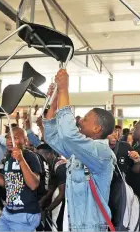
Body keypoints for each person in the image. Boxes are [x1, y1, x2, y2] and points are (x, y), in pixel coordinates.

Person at [43, 69, 116, 231]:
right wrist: (54, 102)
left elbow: (68, 134)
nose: (80, 121)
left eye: (85, 119)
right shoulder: (79, 154)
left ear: (97, 128)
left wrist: (64, 90)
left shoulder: (102, 154)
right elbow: (51, 136)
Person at [0, 127, 42, 231]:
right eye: (8, 137)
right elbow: (5, 182)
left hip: (25, 214)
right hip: (8, 213)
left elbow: (33, 185)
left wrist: (21, 160)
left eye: (15, 138)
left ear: (25, 141)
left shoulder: (31, 156)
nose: (10, 140)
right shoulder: (8, 158)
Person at [37, 143, 66, 231]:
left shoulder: (60, 167)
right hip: (68, 198)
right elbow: (52, 187)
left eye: (40, 156)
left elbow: (62, 194)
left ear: (49, 154)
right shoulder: (52, 165)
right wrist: (41, 202)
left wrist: (48, 210)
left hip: (73, 199)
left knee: (61, 224)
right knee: (59, 223)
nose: (38, 159)